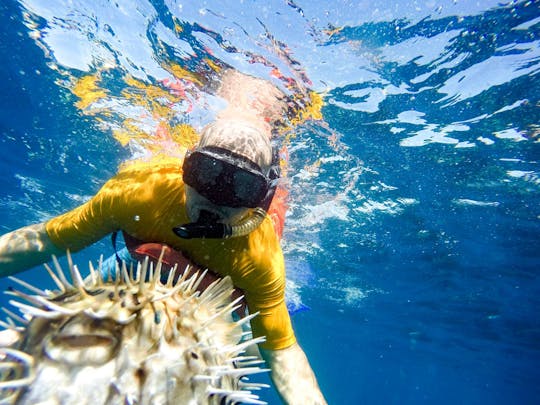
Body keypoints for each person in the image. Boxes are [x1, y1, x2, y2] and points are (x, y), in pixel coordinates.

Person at [0, 68, 327, 404]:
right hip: (136, 265)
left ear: (261, 198)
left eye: (241, 187)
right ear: (185, 168)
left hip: (216, 304)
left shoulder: (258, 254)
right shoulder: (140, 192)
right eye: (206, 172)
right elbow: (44, 240)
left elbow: (282, 353)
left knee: (253, 355)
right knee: (70, 327)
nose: (215, 196)